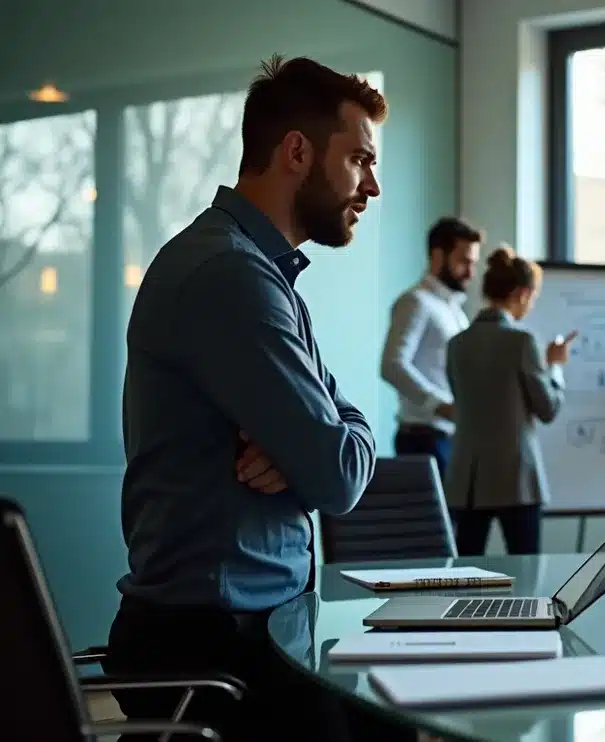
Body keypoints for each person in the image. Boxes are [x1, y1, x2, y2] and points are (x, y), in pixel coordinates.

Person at [104, 56, 410, 740]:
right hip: (214, 647)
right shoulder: (230, 278)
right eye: (360, 159)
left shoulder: (253, 270)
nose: (375, 185)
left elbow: (327, 442)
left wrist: (312, 438)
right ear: (298, 152)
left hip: (249, 629)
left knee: (394, 714)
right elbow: (337, 476)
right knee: (394, 723)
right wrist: (321, 440)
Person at [444, 246, 576, 555]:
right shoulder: (523, 342)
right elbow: (548, 409)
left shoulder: (456, 345)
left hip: (468, 481)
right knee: (528, 574)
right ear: (521, 293)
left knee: (465, 574)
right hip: (517, 480)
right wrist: (555, 365)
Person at [380, 216, 482, 478]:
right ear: (438, 255)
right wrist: (442, 406)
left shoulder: (456, 312)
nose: (471, 273)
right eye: (464, 262)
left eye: (473, 263)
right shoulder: (415, 302)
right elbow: (391, 365)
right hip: (423, 439)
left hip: (451, 438)